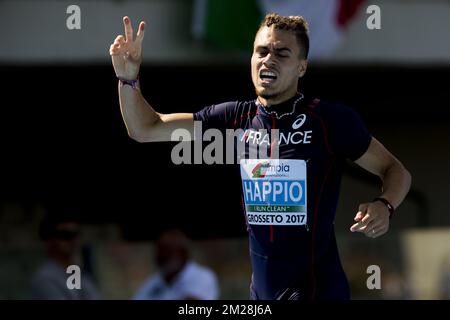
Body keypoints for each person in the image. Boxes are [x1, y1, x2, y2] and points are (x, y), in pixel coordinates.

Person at [110, 13, 411, 300]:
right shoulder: (234, 117)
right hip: (263, 293)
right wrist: (128, 79)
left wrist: (385, 205)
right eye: (262, 51)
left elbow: (394, 169)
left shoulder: (329, 121)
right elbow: (145, 128)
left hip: (317, 290)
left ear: (301, 67)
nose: (269, 59)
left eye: (282, 53)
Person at [29, 211, 101, 300]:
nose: (72, 240)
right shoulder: (45, 279)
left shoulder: (77, 274)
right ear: (49, 238)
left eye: (75, 234)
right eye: (65, 235)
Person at [133, 229, 219, 300]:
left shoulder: (202, 276)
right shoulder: (153, 282)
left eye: (169, 252)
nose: (163, 256)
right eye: (160, 252)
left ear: (184, 254)